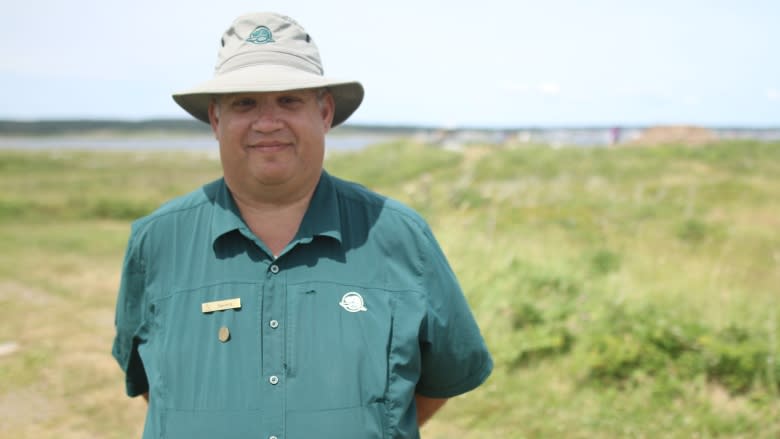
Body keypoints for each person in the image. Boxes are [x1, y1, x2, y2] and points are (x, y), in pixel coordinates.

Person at [112, 12, 492, 439]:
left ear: (325, 112)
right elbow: (158, 390)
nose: (268, 122)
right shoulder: (158, 242)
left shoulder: (400, 236)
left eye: (289, 100)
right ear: (216, 120)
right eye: (244, 103)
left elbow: (442, 380)